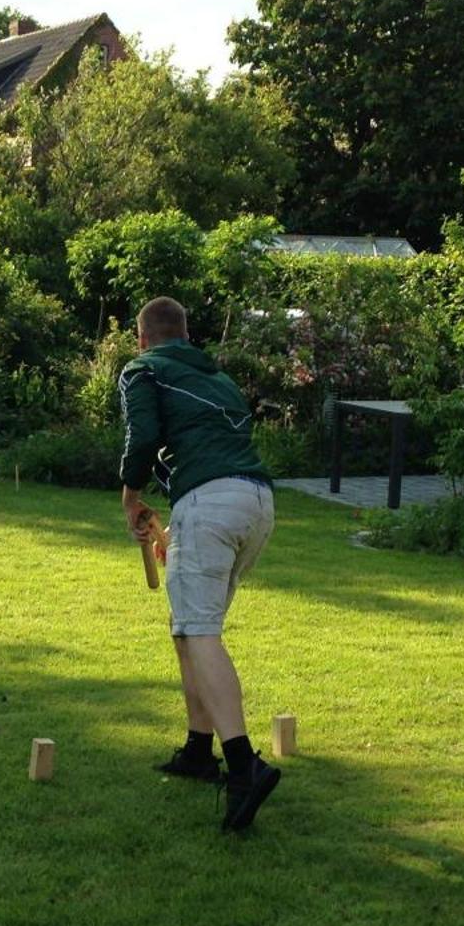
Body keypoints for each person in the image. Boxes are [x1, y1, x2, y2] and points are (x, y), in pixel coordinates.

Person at [118, 295, 280, 831]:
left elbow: (142, 439)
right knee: (188, 630)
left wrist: (130, 499)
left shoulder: (141, 370)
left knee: (199, 631)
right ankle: (196, 750)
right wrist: (175, 526)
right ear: (186, 336)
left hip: (210, 504)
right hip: (255, 505)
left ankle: (243, 766)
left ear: (142, 339)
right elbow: (195, 447)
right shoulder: (218, 377)